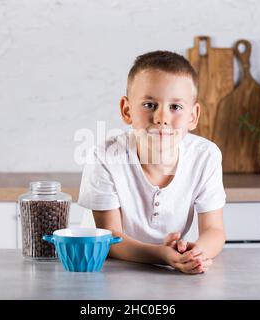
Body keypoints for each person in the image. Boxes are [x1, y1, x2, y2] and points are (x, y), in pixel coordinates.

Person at [78, 50, 226, 274]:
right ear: (126, 110)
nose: (162, 118)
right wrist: (162, 255)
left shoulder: (206, 156)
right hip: (105, 270)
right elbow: (110, 237)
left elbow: (214, 230)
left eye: (175, 107)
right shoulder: (105, 157)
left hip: (167, 272)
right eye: (149, 104)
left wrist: (196, 254)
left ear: (193, 116)